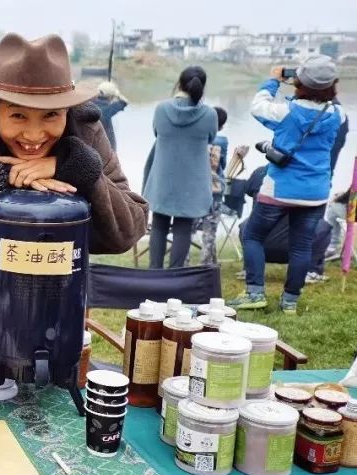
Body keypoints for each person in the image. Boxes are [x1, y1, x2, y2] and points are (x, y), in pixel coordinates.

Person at [0, 33, 148, 376]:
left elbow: (129, 227)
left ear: (68, 109)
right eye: (17, 116)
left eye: (51, 116)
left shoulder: (87, 134)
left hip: (53, 317)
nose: (34, 136)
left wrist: (81, 171)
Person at [229, 56, 344, 314]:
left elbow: (258, 106)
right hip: (316, 191)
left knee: (253, 235)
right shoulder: (338, 114)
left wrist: (274, 79)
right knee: (302, 244)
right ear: (332, 85)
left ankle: (255, 293)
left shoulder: (285, 112)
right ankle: (290, 302)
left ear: (299, 81)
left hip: (280, 187)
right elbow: (325, 106)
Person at [142, 66, 217, 268]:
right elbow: (211, 138)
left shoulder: (161, 109)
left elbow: (157, 133)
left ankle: (154, 274)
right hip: (192, 182)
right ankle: (175, 276)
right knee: (183, 229)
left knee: (158, 226)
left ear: (179, 83)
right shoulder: (209, 114)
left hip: (162, 178)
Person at [199, 106, 229, 265]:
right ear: (222, 125)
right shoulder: (222, 141)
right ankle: (206, 263)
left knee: (188, 228)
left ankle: (183, 262)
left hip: (195, 189)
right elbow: (222, 164)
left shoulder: (196, 138)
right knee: (210, 229)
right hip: (215, 189)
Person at [95, 80, 128, 150]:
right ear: (111, 97)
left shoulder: (89, 104)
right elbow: (124, 102)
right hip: (107, 149)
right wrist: (117, 94)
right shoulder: (109, 109)